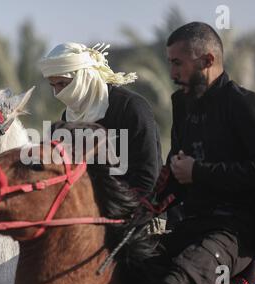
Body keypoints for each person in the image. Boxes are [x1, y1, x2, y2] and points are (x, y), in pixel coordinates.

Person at [137, 22, 255, 284]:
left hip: (236, 230)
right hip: (193, 223)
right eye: (170, 63)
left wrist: (199, 172)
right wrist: (142, 208)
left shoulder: (245, 104)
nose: (172, 73)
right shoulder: (184, 107)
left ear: (208, 60)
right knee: (132, 270)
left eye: (178, 63)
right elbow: (175, 177)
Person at [38, 42, 162, 193]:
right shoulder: (69, 116)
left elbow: (146, 176)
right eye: (53, 85)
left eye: (63, 84)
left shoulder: (130, 107)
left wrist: (112, 209)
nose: (58, 93)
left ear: (84, 77)